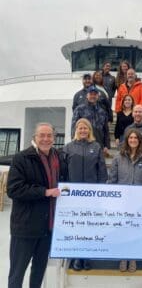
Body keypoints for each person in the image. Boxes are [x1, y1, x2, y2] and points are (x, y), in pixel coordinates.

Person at [7, 122, 67, 288]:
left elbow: (63, 184)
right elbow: (14, 189)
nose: (46, 139)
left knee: (39, 272)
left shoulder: (58, 157)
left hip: (47, 228)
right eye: (42, 135)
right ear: (34, 137)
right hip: (25, 227)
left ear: (54, 138)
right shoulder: (21, 158)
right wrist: (44, 192)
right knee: (17, 274)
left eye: (49, 135)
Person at [64, 118, 108, 271]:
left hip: (92, 194)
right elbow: (63, 172)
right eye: (80, 128)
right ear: (76, 130)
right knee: (76, 225)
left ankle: (87, 256)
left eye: (86, 128)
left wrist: (101, 191)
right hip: (73, 195)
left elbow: (102, 170)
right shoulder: (68, 147)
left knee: (89, 225)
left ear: (90, 130)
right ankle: (77, 256)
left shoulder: (96, 147)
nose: (83, 131)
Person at [108, 128, 142, 272]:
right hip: (122, 201)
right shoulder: (118, 157)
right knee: (123, 230)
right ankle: (123, 257)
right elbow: (112, 179)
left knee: (135, 230)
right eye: (130, 138)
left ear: (140, 140)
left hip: (139, 201)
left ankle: (132, 258)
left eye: (135, 138)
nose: (133, 140)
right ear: (127, 140)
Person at [71, 85, 110, 156]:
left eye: (95, 94)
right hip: (83, 143)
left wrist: (106, 145)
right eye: (91, 94)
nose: (93, 96)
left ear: (98, 96)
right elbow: (74, 126)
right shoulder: (79, 109)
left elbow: (105, 130)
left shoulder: (102, 112)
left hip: (99, 143)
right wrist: (74, 141)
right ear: (87, 95)